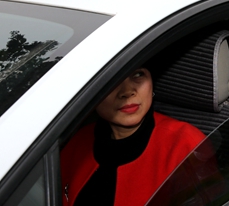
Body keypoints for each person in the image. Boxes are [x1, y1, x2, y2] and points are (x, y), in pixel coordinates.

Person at [60, 67, 209, 206]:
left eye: (138, 74)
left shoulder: (186, 145)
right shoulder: (76, 141)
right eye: (112, 79)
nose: (127, 91)